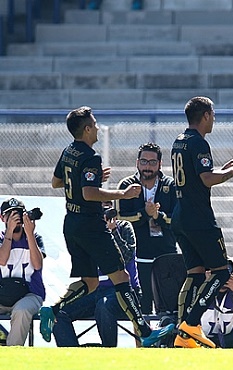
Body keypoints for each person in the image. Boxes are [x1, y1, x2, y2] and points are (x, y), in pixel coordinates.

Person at [40, 105, 174, 347]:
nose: (98, 128)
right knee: (121, 277)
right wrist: (122, 194)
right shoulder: (91, 156)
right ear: (88, 129)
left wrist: (86, 179)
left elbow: (56, 182)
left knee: (90, 282)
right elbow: (89, 193)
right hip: (92, 226)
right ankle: (145, 332)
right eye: (95, 124)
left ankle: (52, 308)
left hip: (71, 223)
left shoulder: (68, 151)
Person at [170, 96, 233, 349]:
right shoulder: (199, 142)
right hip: (199, 218)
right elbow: (207, 179)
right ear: (207, 115)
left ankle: (184, 332)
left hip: (180, 215)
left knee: (196, 273)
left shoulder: (179, 141)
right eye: (214, 114)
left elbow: (195, 178)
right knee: (221, 272)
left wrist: (224, 168)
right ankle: (190, 324)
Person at [52, 201, 140, 347]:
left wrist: (112, 233)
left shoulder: (123, 227)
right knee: (59, 312)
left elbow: (127, 256)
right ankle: (72, 354)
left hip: (122, 292)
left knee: (103, 306)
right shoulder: (87, 232)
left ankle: (108, 351)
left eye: (108, 207)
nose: (105, 212)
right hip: (95, 290)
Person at [116, 142, 177, 314]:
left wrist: (159, 216)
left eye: (152, 162)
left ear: (160, 164)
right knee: (141, 310)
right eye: (143, 161)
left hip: (166, 255)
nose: (147, 166)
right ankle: (142, 341)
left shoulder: (171, 186)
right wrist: (144, 214)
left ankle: (168, 341)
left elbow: (179, 219)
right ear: (137, 163)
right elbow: (120, 218)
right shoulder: (126, 185)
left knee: (168, 310)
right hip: (138, 257)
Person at [0, 198, 45, 346]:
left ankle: (12, 354)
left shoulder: (35, 238)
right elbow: (2, 260)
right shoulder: (1, 238)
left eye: (18, 213)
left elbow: (37, 265)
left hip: (30, 294)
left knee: (22, 311)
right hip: (2, 294)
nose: (15, 218)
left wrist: (29, 233)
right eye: (10, 215)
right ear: (2, 218)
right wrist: (9, 231)